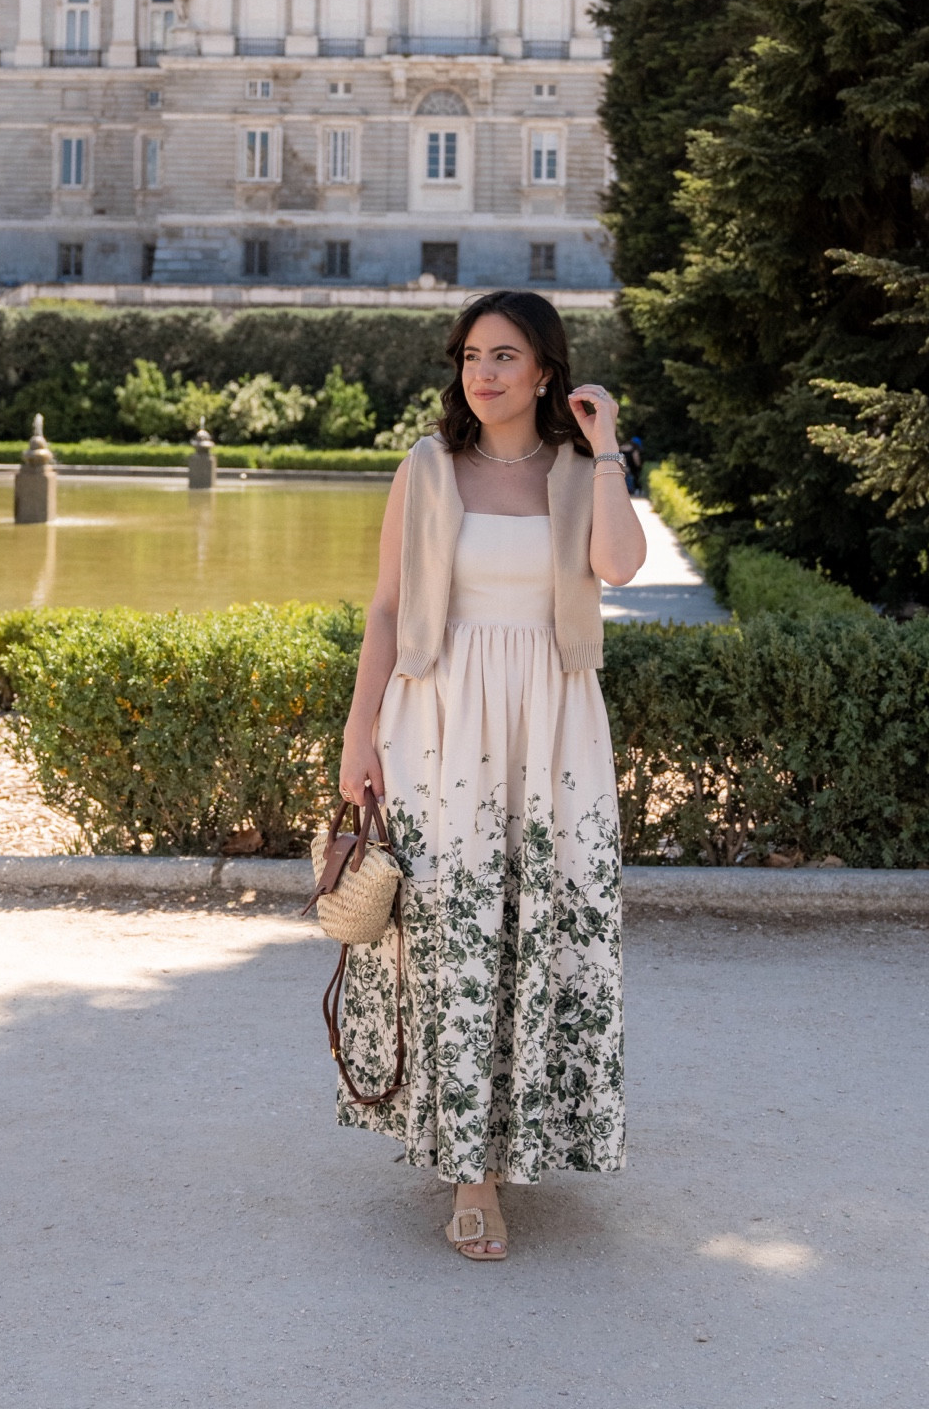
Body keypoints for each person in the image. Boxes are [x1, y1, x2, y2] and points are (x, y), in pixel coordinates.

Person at [334, 289, 647, 1261]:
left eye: (506, 355)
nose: (484, 372)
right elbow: (386, 607)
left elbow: (623, 565)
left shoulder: (573, 468)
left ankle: (523, 1130)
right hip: (438, 721)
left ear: (546, 370)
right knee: (456, 934)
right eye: (471, 354)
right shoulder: (426, 468)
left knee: (542, 924)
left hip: (552, 722)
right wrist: (358, 734)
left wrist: (604, 452)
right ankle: (471, 1174)